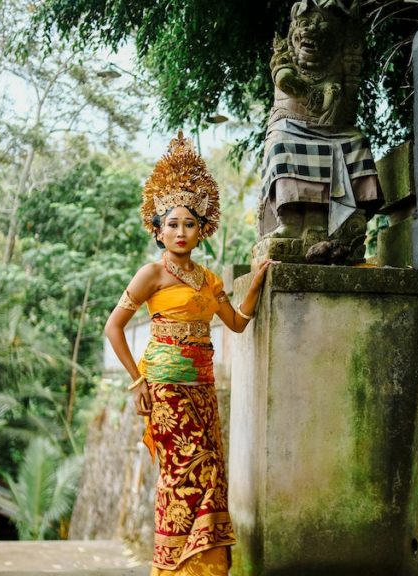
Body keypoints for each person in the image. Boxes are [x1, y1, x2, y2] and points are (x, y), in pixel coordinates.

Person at [104, 132, 274, 576]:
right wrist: (138, 381)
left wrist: (254, 285)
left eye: (189, 224)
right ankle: (172, 568)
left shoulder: (210, 280)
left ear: (203, 229)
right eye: (172, 224)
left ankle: (208, 567)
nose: (181, 232)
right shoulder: (151, 275)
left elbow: (236, 324)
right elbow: (114, 328)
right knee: (179, 477)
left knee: (210, 473)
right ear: (158, 230)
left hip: (202, 390)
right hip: (165, 391)